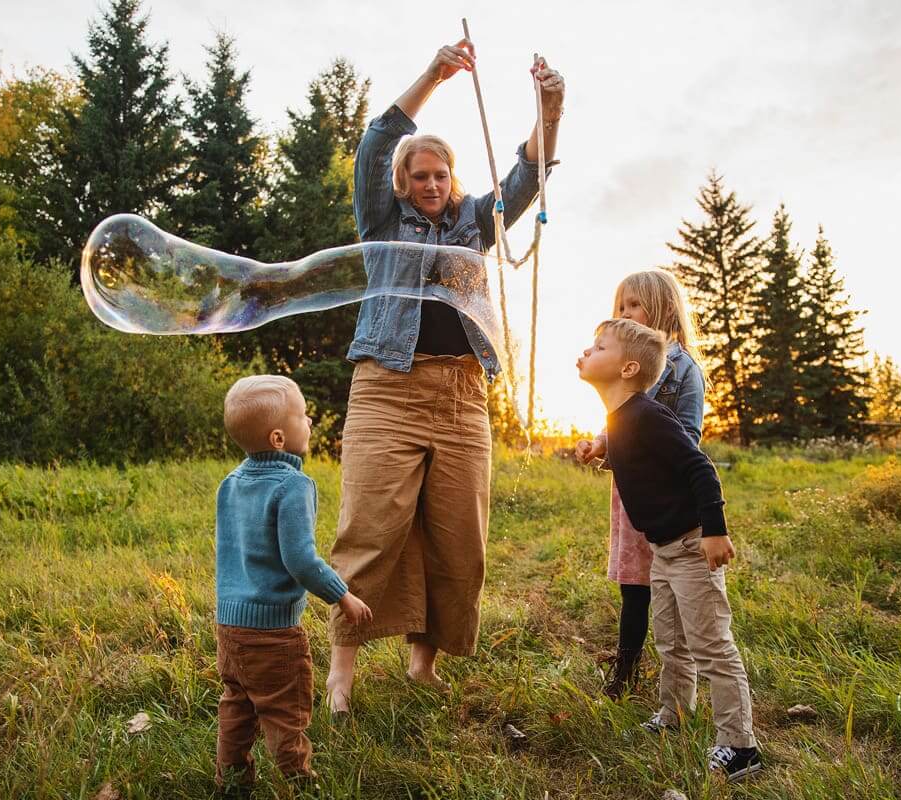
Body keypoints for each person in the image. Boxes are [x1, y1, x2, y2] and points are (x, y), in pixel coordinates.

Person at [325, 38, 566, 715]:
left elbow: (528, 176)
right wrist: (436, 73)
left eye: (440, 174)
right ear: (403, 184)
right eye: (419, 175)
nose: (431, 184)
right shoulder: (381, 222)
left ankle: (421, 664)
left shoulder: (473, 223)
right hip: (386, 388)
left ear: (452, 180)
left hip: (463, 395)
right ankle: (341, 669)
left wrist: (551, 106)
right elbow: (377, 141)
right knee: (370, 530)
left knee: (458, 537)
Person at [577, 319, 763, 783]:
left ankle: (740, 745)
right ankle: (675, 713)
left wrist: (715, 531)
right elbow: (639, 466)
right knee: (672, 642)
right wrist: (599, 454)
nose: (586, 350)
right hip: (661, 550)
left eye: (599, 347)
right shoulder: (618, 421)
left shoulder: (649, 415)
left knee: (711, 646)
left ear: (628, 368)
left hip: (689, 545)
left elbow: (700, 468)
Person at [214, 375, 372, 790]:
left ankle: (231, 779)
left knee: (237, 705)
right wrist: (343, 596)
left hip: (229, 628)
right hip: (273, 634)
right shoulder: (293, 485)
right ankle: (300, 781)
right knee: (285, 712)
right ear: (279, 437)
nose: (311, 422)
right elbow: (301, 560)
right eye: (303, 415)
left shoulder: (230, 483)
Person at [575, 270, 706, 698]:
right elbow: (618, 419)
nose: (626, 313)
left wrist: (644, 448)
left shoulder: (684, 368)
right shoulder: (620, 366)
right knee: (635, 588)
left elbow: (687, 437)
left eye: (634, 305)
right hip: (630, 496)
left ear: (664, 307)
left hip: (666, 496)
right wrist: (600, 444)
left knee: (672, 585)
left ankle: (682, 669)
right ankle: (625, 670)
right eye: (621, 307)